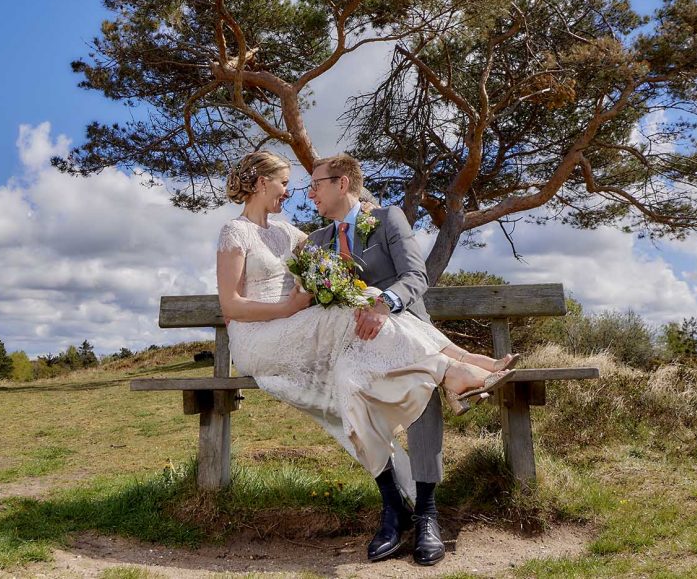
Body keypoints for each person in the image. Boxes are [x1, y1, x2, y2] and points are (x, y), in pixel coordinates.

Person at [215, 151, 515, 566]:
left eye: (312, 184)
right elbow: (238, 303)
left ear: (340, 184)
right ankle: (456, 371)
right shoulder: (275, 236)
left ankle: (424, 512)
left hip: (387, 333)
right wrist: (292, 307)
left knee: (379, 328)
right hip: (289, 336)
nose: (299, 191)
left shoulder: (335, 227)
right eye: (287, 182)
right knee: (350, 370)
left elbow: (410, 272)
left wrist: (363, 210)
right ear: (262, 182)